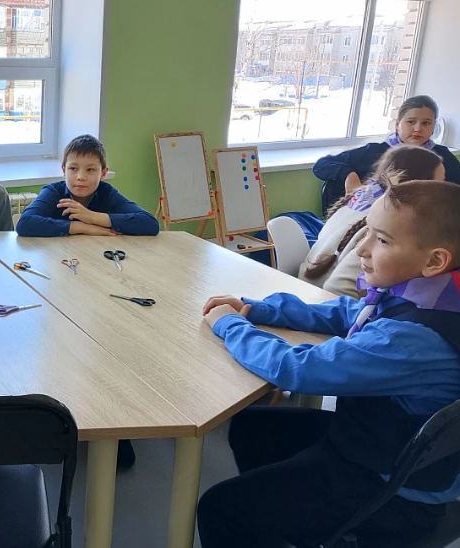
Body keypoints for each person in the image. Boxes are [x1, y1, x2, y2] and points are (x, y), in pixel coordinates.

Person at [197, 180, 460, 548]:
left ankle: (300, 522)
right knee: (252, 427)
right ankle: (286, 523)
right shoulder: (438, 296)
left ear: (434, 261)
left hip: (391, 492)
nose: (363, 248)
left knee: (221, 508)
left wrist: (230, 325)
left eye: (382, 240)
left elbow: (297, 369)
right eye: (367, 232)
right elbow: (352, 311)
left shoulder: (409, 340)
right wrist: (258, 309)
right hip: (388, 449)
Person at [299, 144, 444, 297]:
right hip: (320, 299)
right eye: (439, 183)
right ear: (417, 183)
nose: (442, 190)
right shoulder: (383, 222)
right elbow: (338, 289)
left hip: (305, 285)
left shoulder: (362, 197)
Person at [16, 134, 159, 237]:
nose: (81, 177)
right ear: (64, 170)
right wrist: (80, 227)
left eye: (90, 170)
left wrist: (92, 217)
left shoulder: (107, 193)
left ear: (103, 173)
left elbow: (150, 223)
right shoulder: (53, 192)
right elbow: (24, 224)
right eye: (73, 168)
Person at [314, 95, 460, 196]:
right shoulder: (375, 151)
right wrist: (349, 176)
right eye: (411, 122)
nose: (417, 129)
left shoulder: (442, 156)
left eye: (426, 123)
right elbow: (321, 165)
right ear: (398, 125)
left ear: (433, 128)